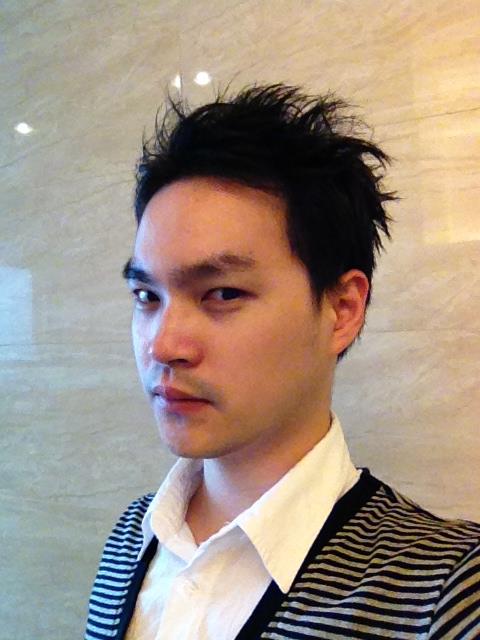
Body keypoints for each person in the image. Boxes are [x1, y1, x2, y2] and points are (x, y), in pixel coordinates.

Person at [85, 84, 480, 640]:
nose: (163, 345)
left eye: (223, 293)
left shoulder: (445, 590)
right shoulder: (133, 536)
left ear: (342, 310)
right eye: (147, 296)